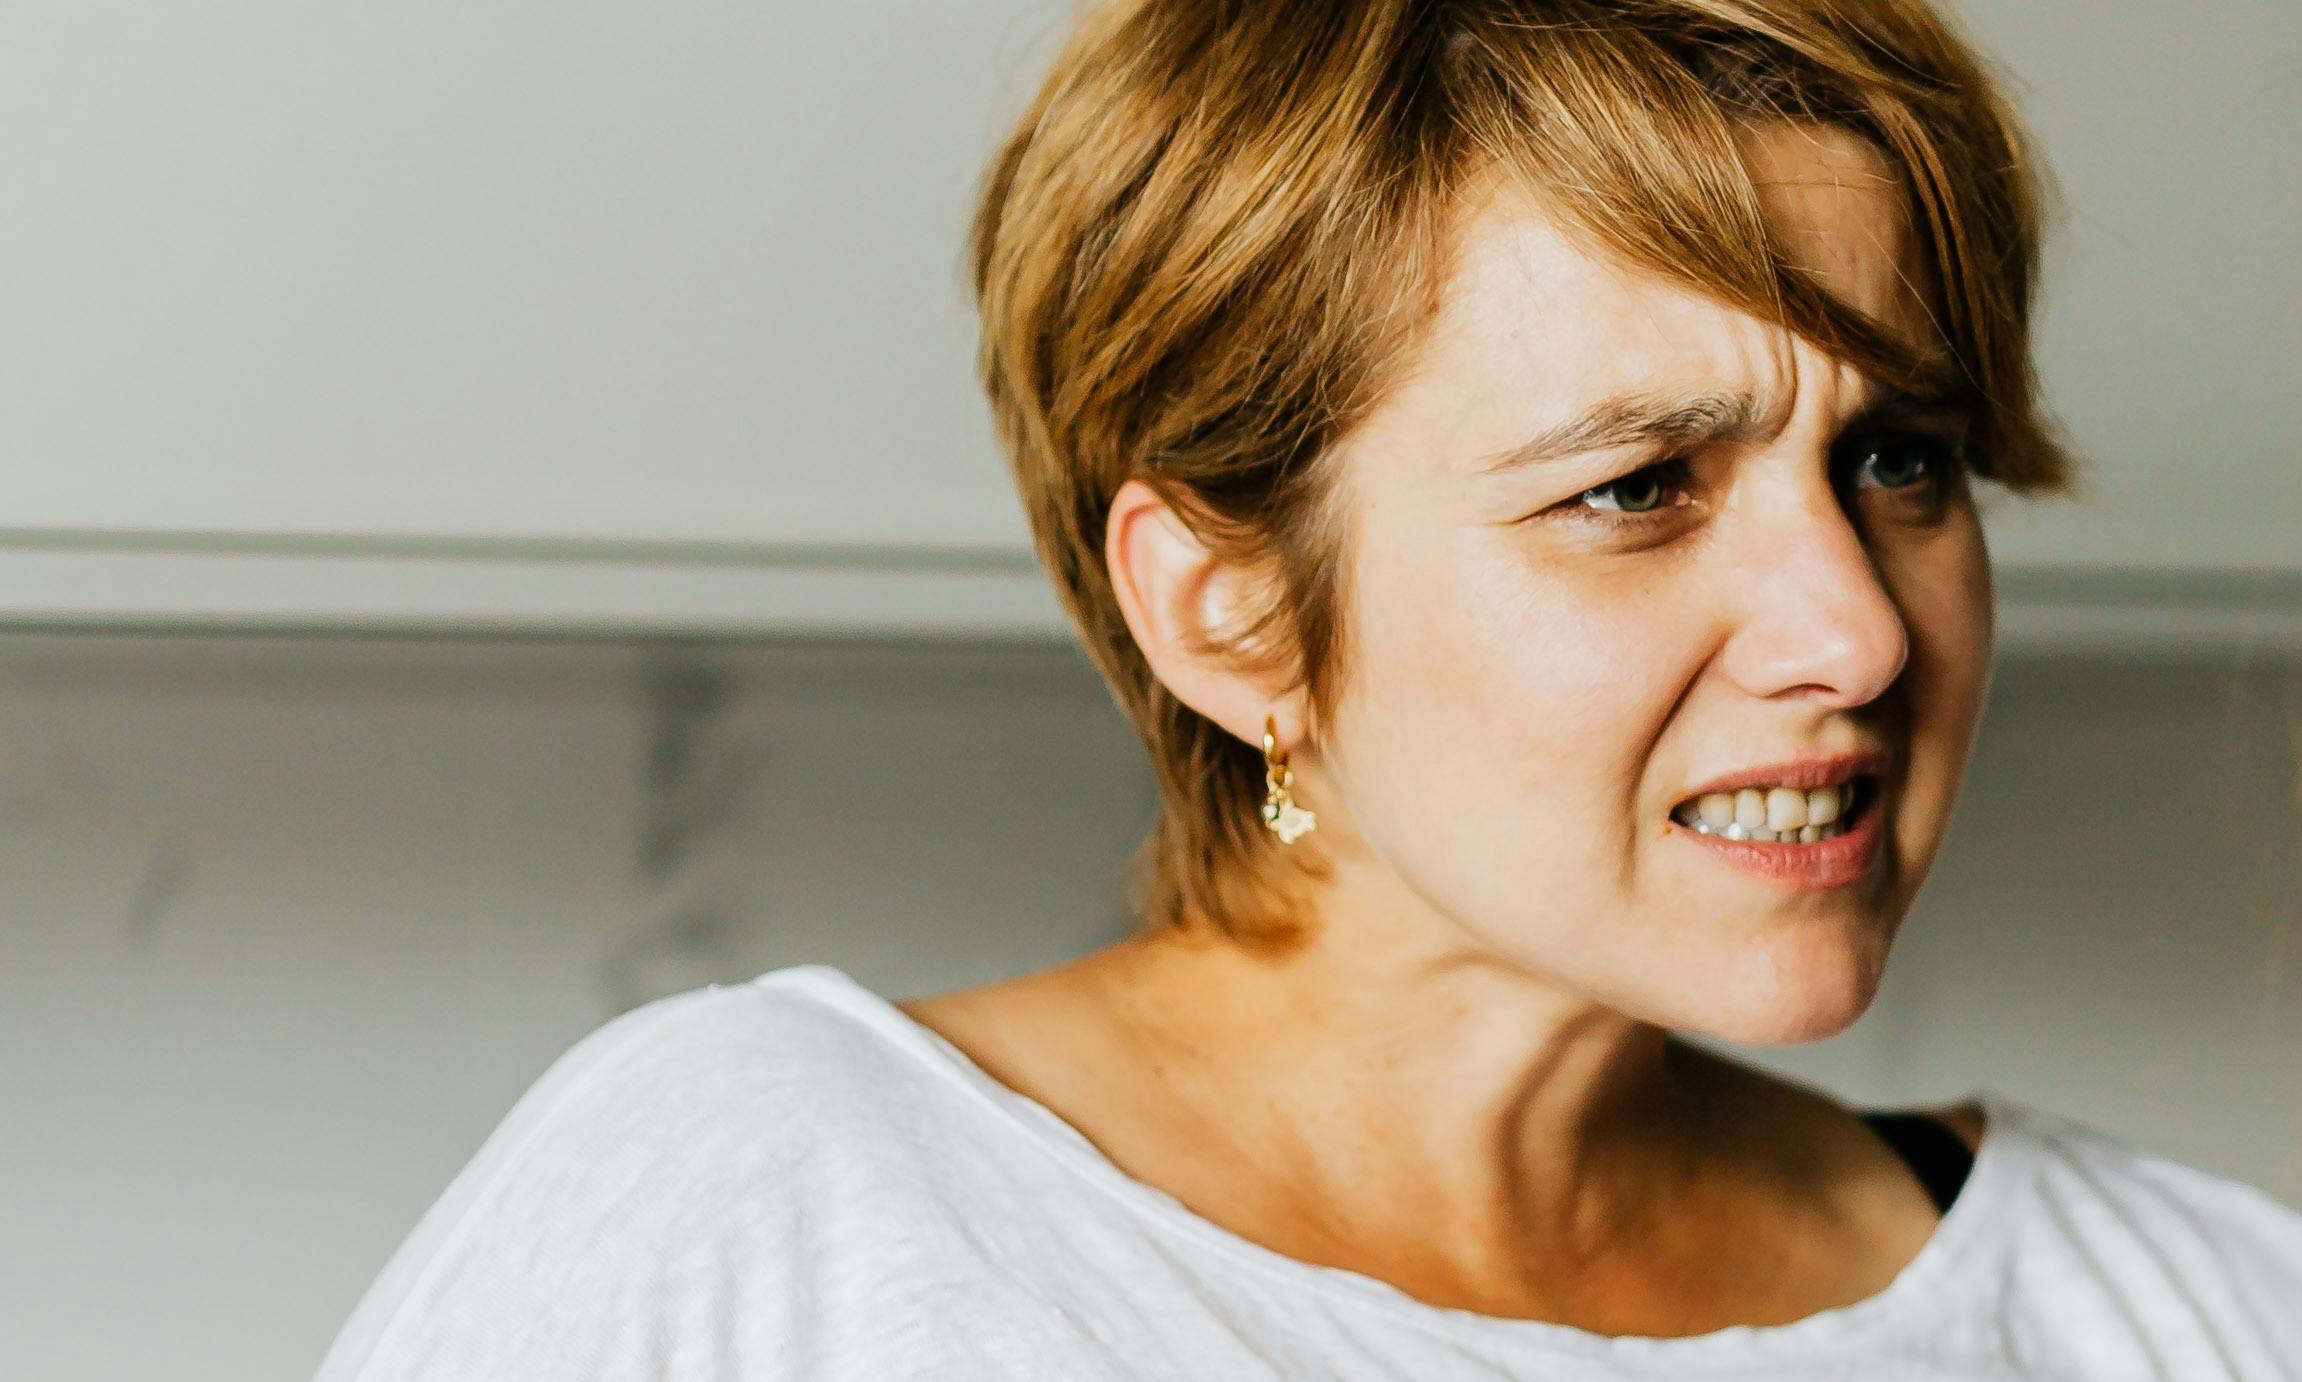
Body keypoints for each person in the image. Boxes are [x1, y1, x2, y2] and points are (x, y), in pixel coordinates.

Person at [314, 1, 2302, 1377]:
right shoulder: (781, 1209)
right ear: (1230, 615)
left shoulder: (2192, 1309)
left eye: (1897, 460)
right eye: (1632, 488)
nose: (1854, 634)